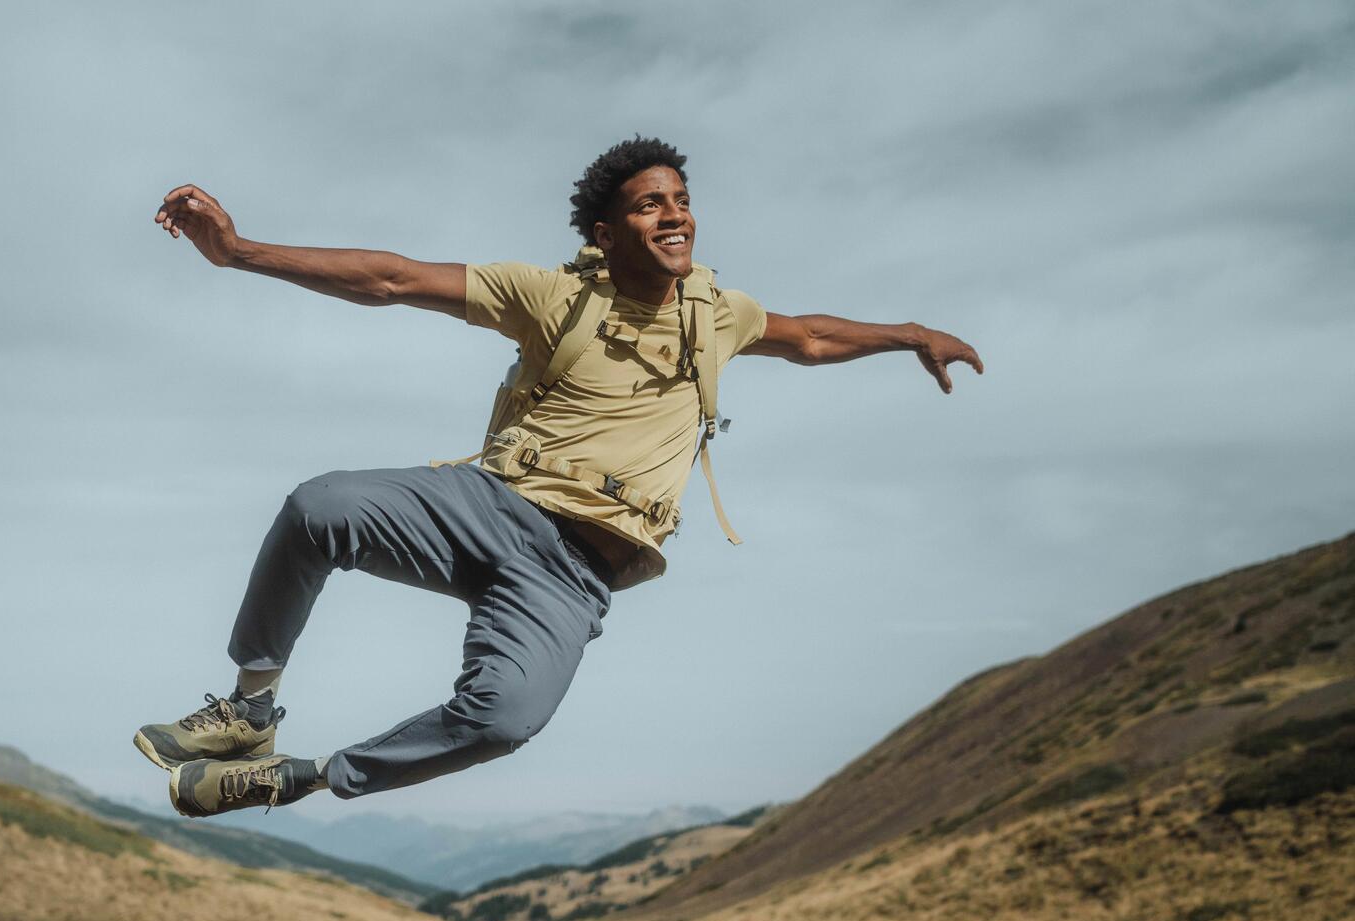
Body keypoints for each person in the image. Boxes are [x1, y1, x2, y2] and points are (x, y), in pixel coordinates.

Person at [135, 137, 982, 817]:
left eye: (682, 200)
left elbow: (811, 338)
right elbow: (393, 279)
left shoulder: (720, 316)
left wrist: (910, 334)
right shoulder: (553, 297)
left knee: (503, 719)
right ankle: (249, 710)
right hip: (489, 506)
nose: (675, 215)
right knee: (319, 507)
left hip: (576, 574)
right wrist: (238, 253)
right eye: (650, 204)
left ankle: (302, 777)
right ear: (606, 235)